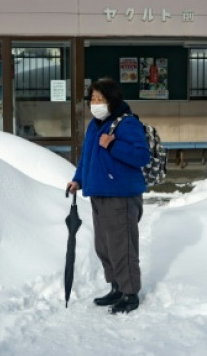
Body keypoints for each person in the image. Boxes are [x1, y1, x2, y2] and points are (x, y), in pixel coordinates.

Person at [67, 77, 151, 314]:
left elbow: (141, 156)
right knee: (104, 246)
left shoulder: (126, 124)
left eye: (100, 99)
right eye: (92, 98)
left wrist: (113, 146)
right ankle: (116, 287)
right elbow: (87, 158)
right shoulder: (95, 125)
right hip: (99, 193)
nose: (95, 103)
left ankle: (130, 292)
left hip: (120, 195)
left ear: (112, 100)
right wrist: (78, 180)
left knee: (121, 246)